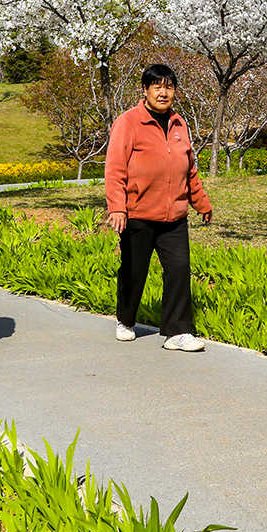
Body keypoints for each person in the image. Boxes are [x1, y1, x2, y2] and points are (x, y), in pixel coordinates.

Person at [105, 64, 213, 352]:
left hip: (174, 216)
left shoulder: (179, 124)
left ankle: (177, 332)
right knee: (134, 271)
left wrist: (201, 202)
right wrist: (117, 208)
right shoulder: (128, 122)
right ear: (145, 90)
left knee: (179, 269)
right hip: (138, 214)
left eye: (169, 87)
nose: (163, 93)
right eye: (157, 87)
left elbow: (189, 169)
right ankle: (125, 319)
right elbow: (115, 169)